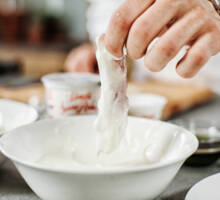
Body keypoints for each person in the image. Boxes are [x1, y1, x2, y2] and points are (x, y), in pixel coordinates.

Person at [65, 0, 220, 79]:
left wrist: (215, 12)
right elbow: (104, 19)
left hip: (212, 97)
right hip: (141, 93)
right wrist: (98, 52)